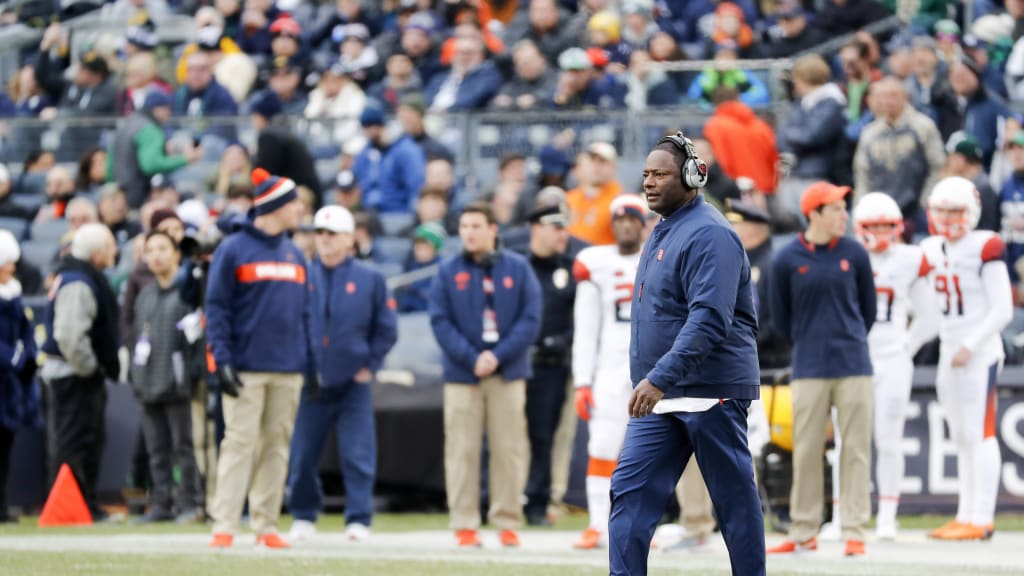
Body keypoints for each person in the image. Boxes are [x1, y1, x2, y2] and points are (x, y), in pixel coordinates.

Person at [608, 132, 764, 576]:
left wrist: (658, 376)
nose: (649, 183)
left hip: (708, 389)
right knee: (629, 493)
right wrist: (655, 379)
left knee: (733, 503)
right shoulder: (665, 228)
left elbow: (710, 319)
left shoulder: (711, 233)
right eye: (645, 175)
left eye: (660, 174)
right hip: (664, 394)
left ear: (693, 176)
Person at [206, 168, 316, 549]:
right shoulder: (232, 249)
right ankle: (225, 524)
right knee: (239, 444)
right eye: (295, 203)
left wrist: (309, 363)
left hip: (288, 368)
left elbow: (305, 314)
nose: (302, 209)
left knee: (276, 445)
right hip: (246, 368)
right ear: (277, 206)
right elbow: (216, 309)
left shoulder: (295, 254)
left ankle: (266, 525)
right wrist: (222, 360)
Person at [768, 182, 876, 557]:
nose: (844, 216)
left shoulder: (855, 253)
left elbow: (868, 311)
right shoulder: (785, 259)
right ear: (813, 213)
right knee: (806, 449)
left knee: (856, 449)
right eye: (836, 209)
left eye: (844, 209)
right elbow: (780, 319)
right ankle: (804, 530)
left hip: (854, 364)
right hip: (809, 365)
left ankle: (855, 530)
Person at [428, 201, 541, 548]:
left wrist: (497, 355)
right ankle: (464, 523)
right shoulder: (447, 271)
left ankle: (507, 520)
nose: (469, 233)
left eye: (476, 226)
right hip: (464, 374)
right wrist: (472, 357)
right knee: (461, 449)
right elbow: (440, 321)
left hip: (507, 373)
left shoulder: (518, 268)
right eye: (464, 227)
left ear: (493, 229)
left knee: (509, 448)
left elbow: (530, 319)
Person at [287, 206, 398, 543]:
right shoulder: (302, 275)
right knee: (302, 454)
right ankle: (304, 514)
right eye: (319, 233)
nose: (324, 240)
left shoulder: (370, 279)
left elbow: (386, 329)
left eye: (331, 234)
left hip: (352, 382)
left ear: (349, 239)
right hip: (310, 382)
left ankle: (359, 518)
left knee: (358, 453)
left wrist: (371, 364)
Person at [921, 176, 1013, 541]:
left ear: (971, 212)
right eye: (941, 210)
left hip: (980, 352)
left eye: (954, 210)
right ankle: (965, 513)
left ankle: (982, 517)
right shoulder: (929, 248)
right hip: (949, 348)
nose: (946, 218)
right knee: (960, 436)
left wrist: (971, 345)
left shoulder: (985, 245)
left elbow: (1003, 308)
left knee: (981, 433)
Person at [849, 193, 939, 539]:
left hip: (891, 357)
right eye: (874, 226)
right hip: (853, 358)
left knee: (888, 439)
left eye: (888, 225)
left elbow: (930, 315)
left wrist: (906, 346)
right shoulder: (847, 254)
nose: (883, 232)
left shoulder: (910, 258)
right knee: (848, 441)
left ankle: (887, 514)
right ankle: (845, 512)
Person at [571, 194, 646, 550]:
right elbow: (585, 329)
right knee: (601, 443)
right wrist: (582, 381)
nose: (626, 225)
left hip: (651, 367)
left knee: (649, 450)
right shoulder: (595, 263)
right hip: (609, 367)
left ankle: (642, 525)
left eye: (632, 218)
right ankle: (598, 524)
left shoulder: (660, 256)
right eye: (620, 219)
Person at [40, 223, 120, 521]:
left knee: (85, 439)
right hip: (73, 375)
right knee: (75, 441)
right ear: (97, 252)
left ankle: (83, 504)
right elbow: (70, 336)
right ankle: (71, 507)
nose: (115, 252)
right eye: (110, 246)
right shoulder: (78, 281)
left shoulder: (77, 276)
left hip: (73, 372)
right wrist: (90, 368)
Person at [129, 231, 202, 524]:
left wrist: (190, 375)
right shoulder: (144, 295)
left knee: (183, 447)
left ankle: (190, 502)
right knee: (156, 449)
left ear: (176, 254)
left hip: (178, 382)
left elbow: (195, 339)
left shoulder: (186, 292)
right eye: (150, 250)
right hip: (148, 381)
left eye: (162, 248)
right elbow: (137, 338)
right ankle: (161, 504)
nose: (156, 255)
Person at [521, 202, 576, 526]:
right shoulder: (516, 267)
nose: (561, 234)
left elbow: (579, 316)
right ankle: (495, 499)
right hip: (517, 363)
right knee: (507, 438)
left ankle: (538, 502)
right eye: (555, 227)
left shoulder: (569, 269)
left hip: (552, 365)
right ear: (536, 228)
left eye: (563, 227)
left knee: (545, 437)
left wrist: (564, 342)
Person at [0, 230, 40, 523]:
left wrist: (27, 356)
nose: (12, 268)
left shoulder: (13, 293)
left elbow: (26, 331)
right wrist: (13, 358)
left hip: (10, 384)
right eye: (7, 263)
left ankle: (2, 505)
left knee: (5, 446)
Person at [108, 91, 201, 209]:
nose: (169, 113)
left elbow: (110, 161)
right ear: (158, 109)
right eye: (167, 108)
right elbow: (150, 165)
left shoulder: (127, 123)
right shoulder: (150, 129)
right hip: (136, 193)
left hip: (118, 189)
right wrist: (185, 159)